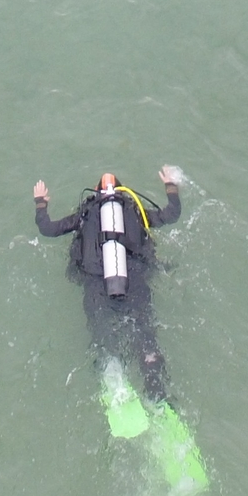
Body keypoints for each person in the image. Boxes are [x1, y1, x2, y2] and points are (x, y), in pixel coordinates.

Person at [33, 166, 183, 400]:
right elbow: (171, 214)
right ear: (123, 192)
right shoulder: (136, 211)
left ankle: (115, 385)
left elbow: (48, 229)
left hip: (97, 284)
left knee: (103, 335)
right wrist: (171, 186)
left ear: (95, 192)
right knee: (144, 335)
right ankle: (156, 386)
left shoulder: (84, 213)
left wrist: (40, 202)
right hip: (135, 280)